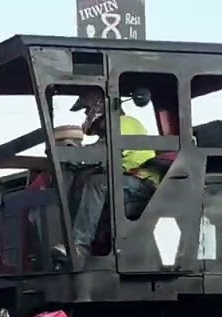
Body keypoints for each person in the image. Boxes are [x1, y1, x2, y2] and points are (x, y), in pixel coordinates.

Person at [67, 89, 161, 255]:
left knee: (97, 183)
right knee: (86, 181)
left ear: (99, 106)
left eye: (87, 110)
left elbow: (98, 153)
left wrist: (73, 155)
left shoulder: (123, 123)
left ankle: (79, 245)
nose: (86, 115)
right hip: (130, 183)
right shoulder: (114, 130)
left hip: (144, 185)